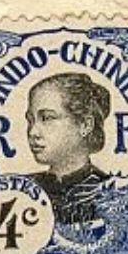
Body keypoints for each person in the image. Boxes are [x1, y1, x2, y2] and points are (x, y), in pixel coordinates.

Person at [25, 72, 113, 225]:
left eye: (47, 118)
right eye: (30, 120)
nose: (33, 132)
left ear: (85, 125)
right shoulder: (21, 189)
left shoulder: (111, 194)